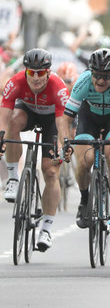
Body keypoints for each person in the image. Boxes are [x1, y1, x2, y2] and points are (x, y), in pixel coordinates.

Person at [0, 48, 69, 251]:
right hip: (27, 111)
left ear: (48, 72)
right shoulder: (16, 82)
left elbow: (61, 124)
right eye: (32, 72)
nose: (36, 78)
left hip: (51, 121)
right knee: (12, 124)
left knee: (50, 171)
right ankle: (13, 178)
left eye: (41, 73)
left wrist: (60, 147)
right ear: (26, 71)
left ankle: (46, 228)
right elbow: (4, 116)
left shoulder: (59, 88)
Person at [58, 48, 110, 234]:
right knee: (85, 161)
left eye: (106, 77)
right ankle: (84, 200)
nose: (100, 80)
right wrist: (66, 142)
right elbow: (66, 119)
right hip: (88, 118)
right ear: (91, 71)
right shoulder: (83, 81)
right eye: (97, 75)